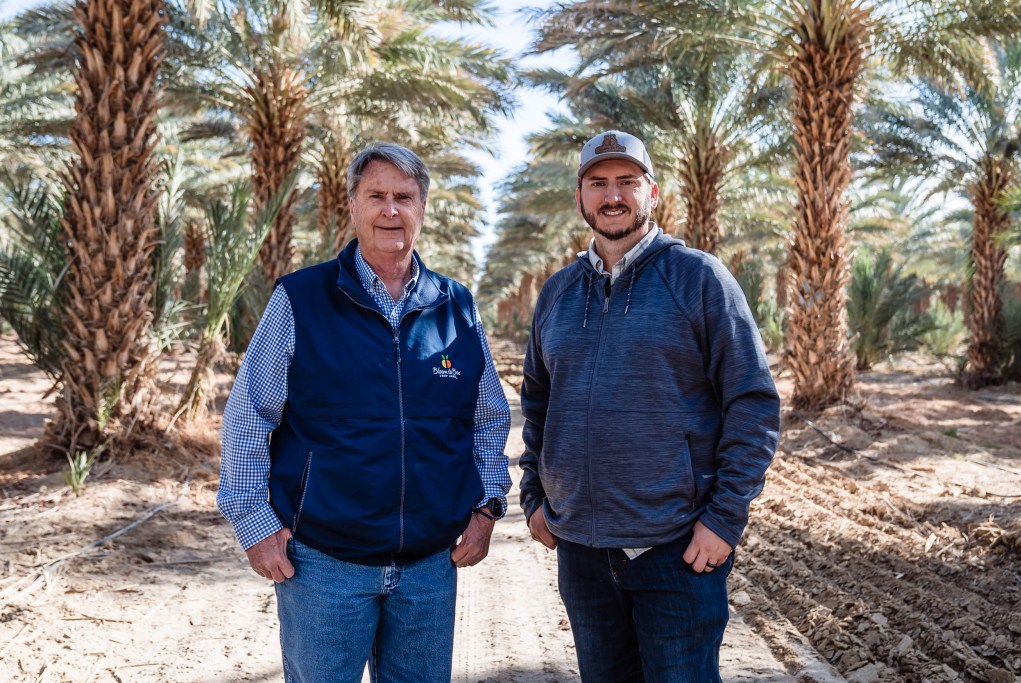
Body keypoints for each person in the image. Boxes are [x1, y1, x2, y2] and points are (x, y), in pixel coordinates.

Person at [218, 142, 511, 683]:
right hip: (323, 566)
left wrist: (487, 506)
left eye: (404, 196)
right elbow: (249, 415)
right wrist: (253, 520)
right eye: (376, 196)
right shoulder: (300, 299)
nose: (390, 210)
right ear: (352, 205)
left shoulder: (456, 305)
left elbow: (488, 417)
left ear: (423, 207)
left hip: (429, 568)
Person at [519, 130, 780, 682]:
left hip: (676, 550)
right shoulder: (557, 293)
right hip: (583, 553)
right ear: (580, 196)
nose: (613, 195)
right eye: (598, 183)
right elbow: (538, 402)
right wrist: (534, 496)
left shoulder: (699, 279)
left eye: (627, 182)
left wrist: (724, 520)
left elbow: (752, 403)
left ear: (652, 193)